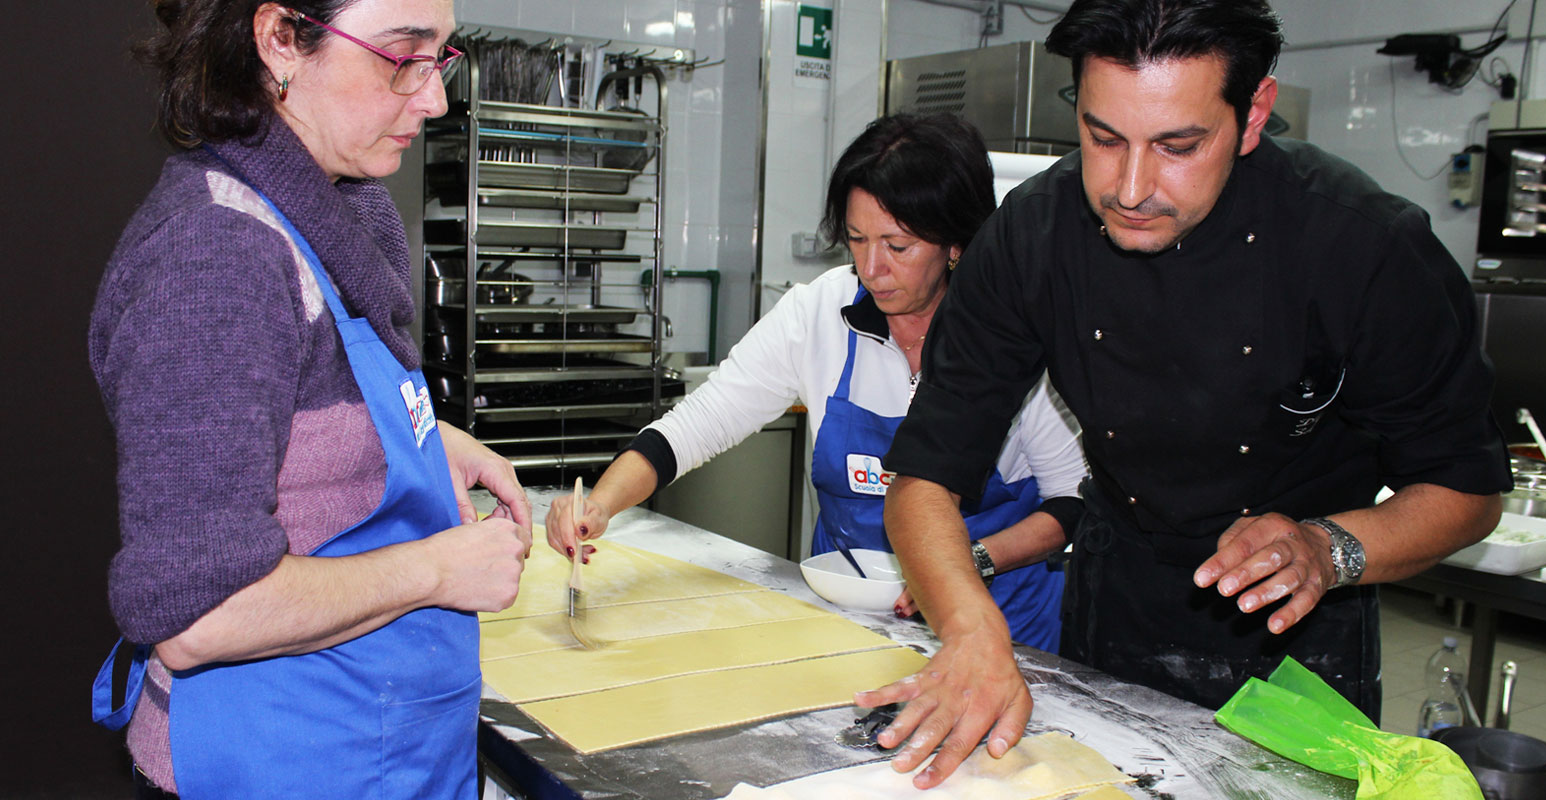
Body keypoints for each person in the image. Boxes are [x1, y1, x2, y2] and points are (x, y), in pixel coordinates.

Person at [861, 0, 1512, 788]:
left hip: (1299, 634)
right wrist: (970, 629)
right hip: (1117, 604)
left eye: (1178, 146)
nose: (1131, 187)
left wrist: (1326, 548)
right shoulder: (1032, 236)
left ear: (1253, 115)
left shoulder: (1361, 246)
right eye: (1104, 138)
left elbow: (1466, 489)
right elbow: (924, 477)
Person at [87, 2, 534, 797]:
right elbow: (200, 616)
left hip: (376, 750)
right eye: (402, 57)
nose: (435, 99)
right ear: (281, 40)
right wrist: (436, 570)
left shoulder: (334, 216)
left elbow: (299, 417)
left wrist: (429, 443)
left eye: (440, 56)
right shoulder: (217, 257)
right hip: (275, 762)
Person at [546, 113, 1087, 653]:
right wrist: (600, 505)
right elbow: (696, 425)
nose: (872, 268)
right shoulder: (820, 314)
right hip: (848, 623)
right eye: (857, 239)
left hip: (1002, 631)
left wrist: (961, 564)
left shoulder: (1010, 333)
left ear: (956, 244)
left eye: (897, 246)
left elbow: (1072, 503)